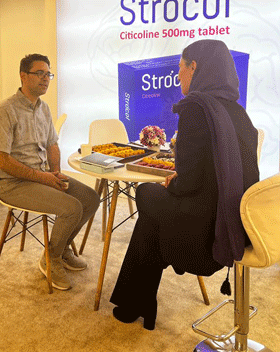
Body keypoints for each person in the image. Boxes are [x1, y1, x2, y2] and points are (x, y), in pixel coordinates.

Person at [110, 39, 259, 329]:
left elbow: (188, 182)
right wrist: (180, 181)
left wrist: (174, 184)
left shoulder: (196, 108)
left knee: (146, 193)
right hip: (234, 223)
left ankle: (136, 303)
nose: (178, 76)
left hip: (204, 232)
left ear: (195, 67)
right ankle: (136, 304)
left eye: (180, 68)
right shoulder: (238, 113)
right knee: (150, 224)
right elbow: (216, 172)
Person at [0, 53, 100, 291]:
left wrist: (55, 172)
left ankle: (61, 248)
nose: (45, 78)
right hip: (12, 184)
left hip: (42, 175)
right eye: (39, 73)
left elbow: (52, 145)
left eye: (48, 74)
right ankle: (51, 259)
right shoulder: (5, 110)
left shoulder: (44, 108)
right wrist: (42, 177)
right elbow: (1, 160)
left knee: (90, 198)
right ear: (23, 76)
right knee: (71, 208)